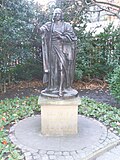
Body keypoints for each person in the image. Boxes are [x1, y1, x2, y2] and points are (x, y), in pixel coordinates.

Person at [35, 8, 77, 98]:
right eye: (54, 14)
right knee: (53, 68)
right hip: (52, 49)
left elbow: (72, 37)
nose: (56, 15)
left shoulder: (66, 25)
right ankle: (52, 87)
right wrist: (36, 25)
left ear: (61, 15)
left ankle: (62, 88)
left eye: (58, 14)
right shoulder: (50, 25)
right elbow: (41, 30)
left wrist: (62, 37)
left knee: (62, 68)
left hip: (63, 49)